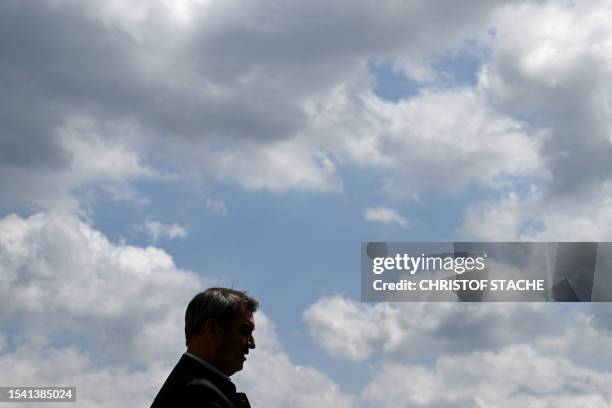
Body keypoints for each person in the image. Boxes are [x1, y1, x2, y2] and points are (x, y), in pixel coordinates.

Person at [151, 287, 258, 408]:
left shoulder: (193, 388)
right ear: (212, 330)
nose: (252, 344)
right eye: (245, 330)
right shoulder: (198, 395)